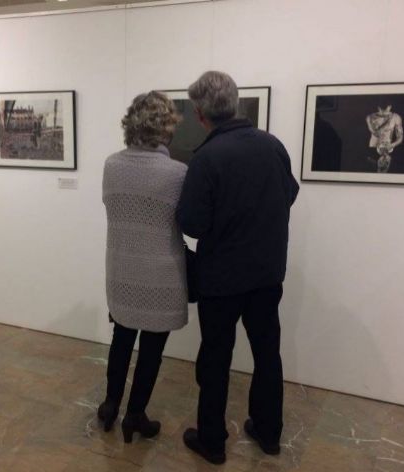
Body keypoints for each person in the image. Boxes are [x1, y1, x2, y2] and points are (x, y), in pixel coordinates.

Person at [177, 71, 299, 465]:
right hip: (266, 273)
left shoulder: (207, 157)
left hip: (221, 279)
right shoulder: (272, 146)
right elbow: (290, 193)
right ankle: (269, 433)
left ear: (200, 114)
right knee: (268, 354)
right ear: (236, 103)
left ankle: (212, 441)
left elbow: (192, 223)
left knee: (215, 357)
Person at [98, 91, 188, 443]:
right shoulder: (178, 172)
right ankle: (135, 416)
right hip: (160, 274)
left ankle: (109, 406)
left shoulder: (111, 164)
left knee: (121, 339)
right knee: (151, 349)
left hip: (121, 267)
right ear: (166, 129)